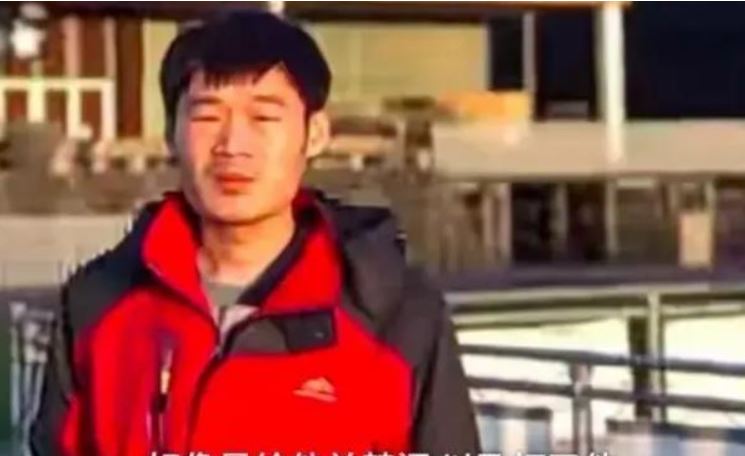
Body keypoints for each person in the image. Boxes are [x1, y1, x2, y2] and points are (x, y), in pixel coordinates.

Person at [30, 10, 479, 456]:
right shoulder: (98, 305)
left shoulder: (397, 315)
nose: (233, 146)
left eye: (264, 118)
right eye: (207, 117)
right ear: (171, 133)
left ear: (315, 134)